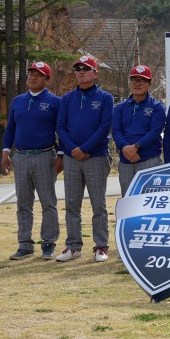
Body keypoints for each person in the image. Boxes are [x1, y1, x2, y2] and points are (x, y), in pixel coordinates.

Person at [1, 61, 63, 260]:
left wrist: (61, 155)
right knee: (23, 204)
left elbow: (62, 130)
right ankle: (25, 245)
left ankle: (48, 243)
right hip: (20, 157)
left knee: (48, 203)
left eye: (38, 75)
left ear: (47, 79)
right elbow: (11, 128)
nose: (33, 78)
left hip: (44, 156)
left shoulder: (55, 102)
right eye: (31, 74)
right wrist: (5, 152)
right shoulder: (18, 101)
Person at [55, 56, 113, 262]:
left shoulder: (105, 98)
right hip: (72, 158)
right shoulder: (67, 99)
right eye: (78, 68)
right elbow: (60, 127)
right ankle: (73, 247)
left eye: (86, 69)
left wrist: (86, 148)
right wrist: (73, 149)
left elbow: (104, 127)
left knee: (98, 204)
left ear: (95, 73)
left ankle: (101, 246)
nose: (81, 71)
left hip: (95, 156)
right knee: (71, 204)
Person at [112, 65, 166, 195]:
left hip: (148, 159)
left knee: (149, 199)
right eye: (134, 79)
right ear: (130, 82)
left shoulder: (157, 107)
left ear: (149, 84)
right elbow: (116, 130)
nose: (137, 83)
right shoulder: (120, 107)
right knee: (128, 199)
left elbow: (155, 131)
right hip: (126, 160)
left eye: (142, 80)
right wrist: (126, 148)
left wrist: (136, 147)